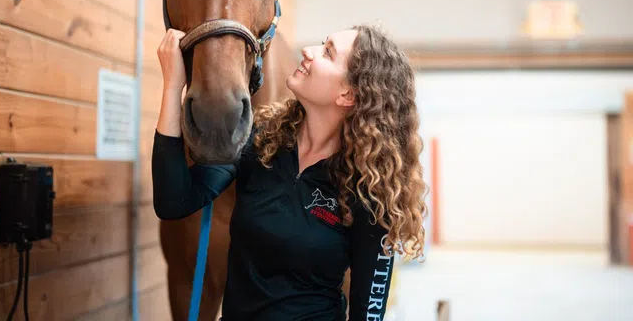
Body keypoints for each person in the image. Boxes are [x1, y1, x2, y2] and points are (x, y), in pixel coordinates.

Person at [153, 24, 428, 321]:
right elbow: (173, 201)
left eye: (327, 53)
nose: (307, 52)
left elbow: (368, 314)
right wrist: (172, 87)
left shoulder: (369, 190)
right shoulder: (260, 141)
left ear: (347, 94)